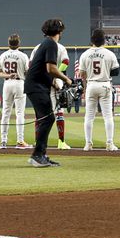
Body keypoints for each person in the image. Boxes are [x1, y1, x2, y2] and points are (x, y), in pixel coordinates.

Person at [25, 18, 69, 168]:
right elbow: (51, 69)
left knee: (45, 118)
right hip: (36, 86)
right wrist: (66, 79)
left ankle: (40, 154)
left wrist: (53, 83)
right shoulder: (51, 43)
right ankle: (38, 155)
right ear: (59, 31)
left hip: (37, 85)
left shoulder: (45, 43)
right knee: (49, 119)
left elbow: (43, 70)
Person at [78, 28, 119, 151]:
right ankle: (109, 144)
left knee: (89, 117)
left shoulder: (85, 54)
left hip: (91, 84)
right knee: (108, 116)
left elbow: (81, 73)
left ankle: (88, 144)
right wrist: (105, 70)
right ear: (104, 40)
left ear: (92, 40)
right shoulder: (109, 54)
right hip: (104, 84)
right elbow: (116, 71)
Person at [0, 34, 29, 149]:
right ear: (19, 43)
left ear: (8, 43)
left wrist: (8, 75)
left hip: (7, 83)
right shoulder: (23, 56)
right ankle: (20, 141)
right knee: (20, 113)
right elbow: (28, 72)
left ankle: (3, 141)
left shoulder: (3, 55)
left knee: (6, 112)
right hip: (19, 83)